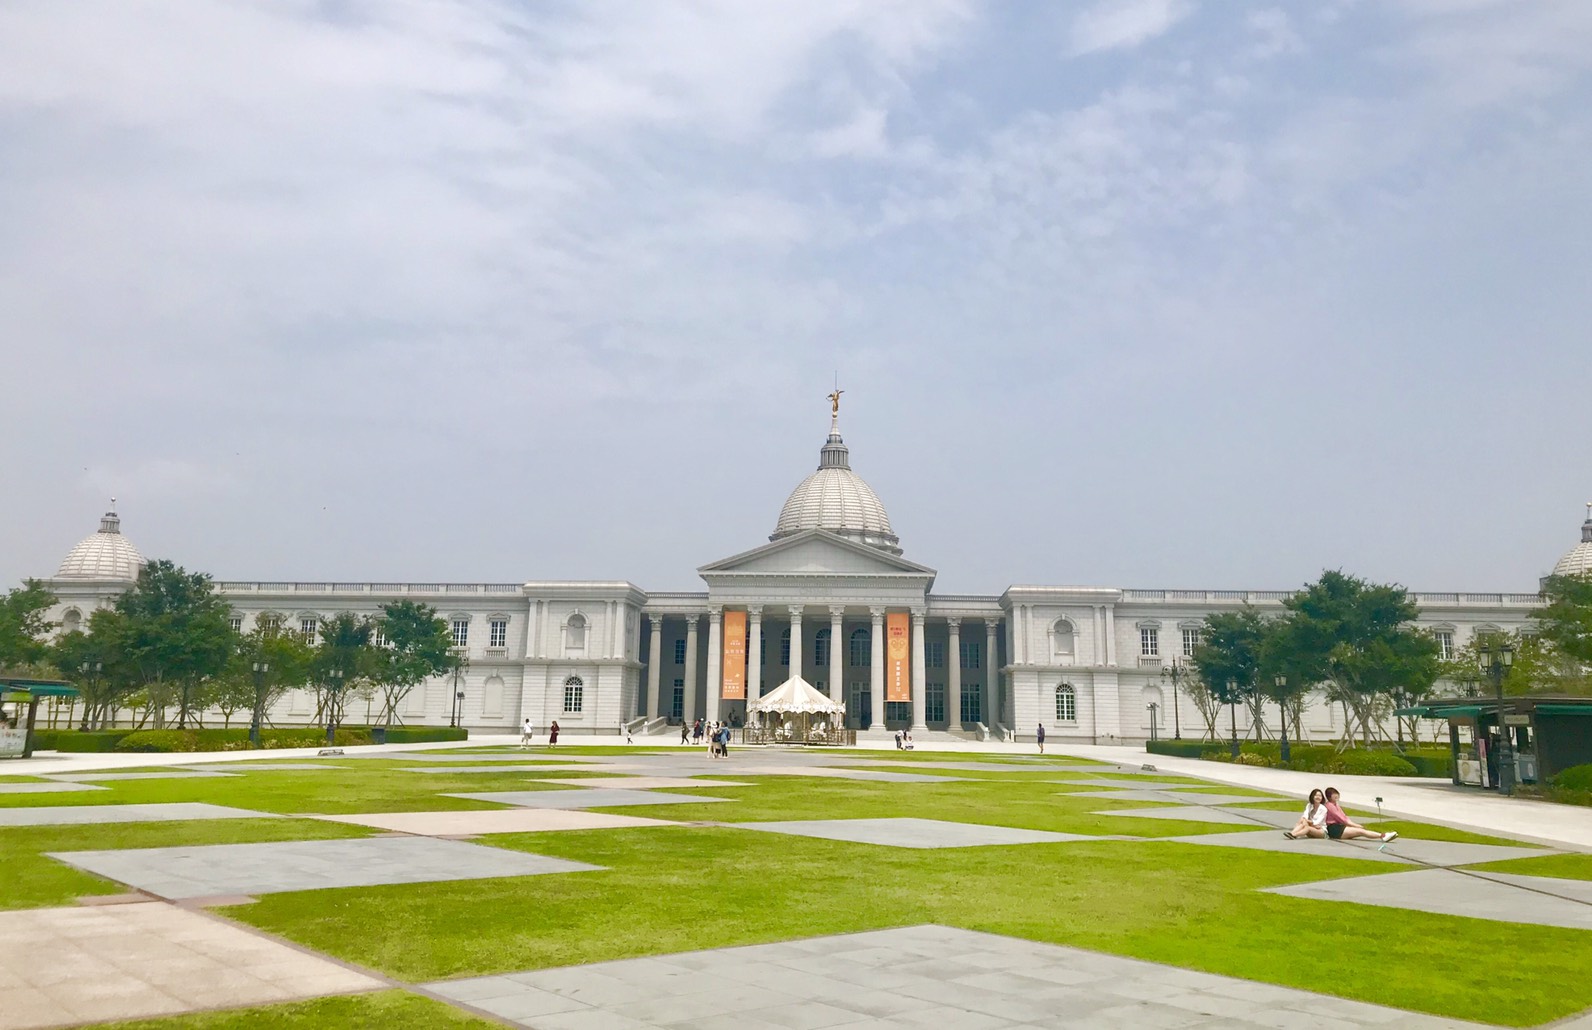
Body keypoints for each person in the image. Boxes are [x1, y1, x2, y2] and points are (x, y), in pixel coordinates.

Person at [1322, 787, 1397, 843]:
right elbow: (1343, 819)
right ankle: (1383, 836)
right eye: (1333, 794)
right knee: (1361, 831)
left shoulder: (1335, 805)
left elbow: (1345, 817)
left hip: (1339, 827)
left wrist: (1354, 825)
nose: (1336, 796)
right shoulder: (1330, 805)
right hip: (1334, 829)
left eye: (1336, 794)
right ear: (1329, 796)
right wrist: (1356, 825)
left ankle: (1383, 835)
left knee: (1360, 831)